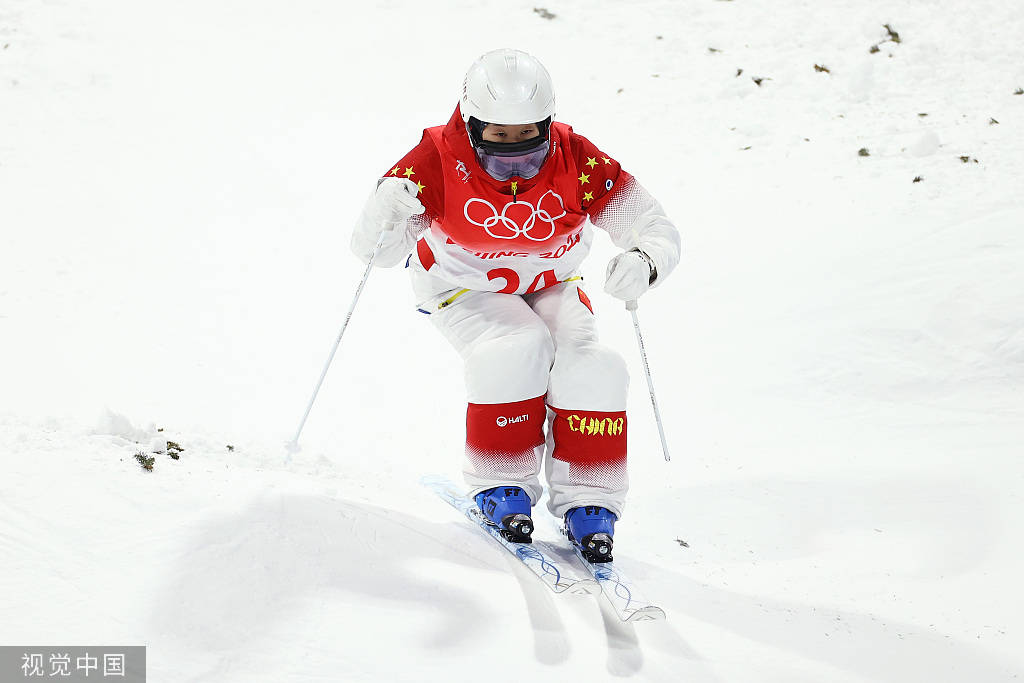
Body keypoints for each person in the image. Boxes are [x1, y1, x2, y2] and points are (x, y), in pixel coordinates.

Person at [351, 48, 680, 562]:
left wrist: (646, 260)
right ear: (471, 122)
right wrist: (382, 210)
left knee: (591, 365)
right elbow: (376, 254)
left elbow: (655, 226)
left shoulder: (577, 158)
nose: (513, 155)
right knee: (519, 346)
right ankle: (499, 479)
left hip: (551, 284)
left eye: (527, 136)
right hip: (464, 289)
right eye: (497, 136)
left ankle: (590, 495)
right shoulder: (436, 159)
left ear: (547, 123)